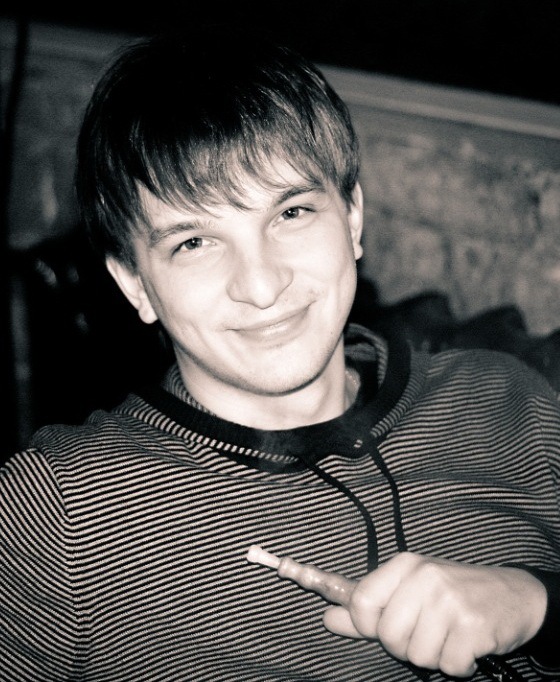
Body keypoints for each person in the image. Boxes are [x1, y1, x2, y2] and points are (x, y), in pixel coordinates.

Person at [1, 24, 559, 682]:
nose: (263, 286)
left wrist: (538, 603)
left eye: (291, 213)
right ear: (134, 284)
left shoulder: (509, 399)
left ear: (352, 217)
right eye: (193, 243)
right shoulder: (60, 510)